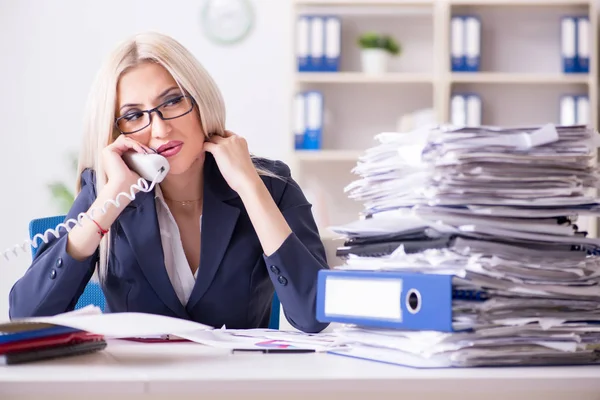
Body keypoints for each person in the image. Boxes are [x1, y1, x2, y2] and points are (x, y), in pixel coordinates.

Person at [9, 32, 330, 333]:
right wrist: (110, 201)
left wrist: (249, 186)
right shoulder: (106, 190)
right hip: (139, 386)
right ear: (117, 133)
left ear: (200, 100)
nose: (160, 129)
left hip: (236, 384)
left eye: (173, 101)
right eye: (134, 116)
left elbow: (313, 315)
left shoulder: (271, 186)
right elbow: (27, 315)